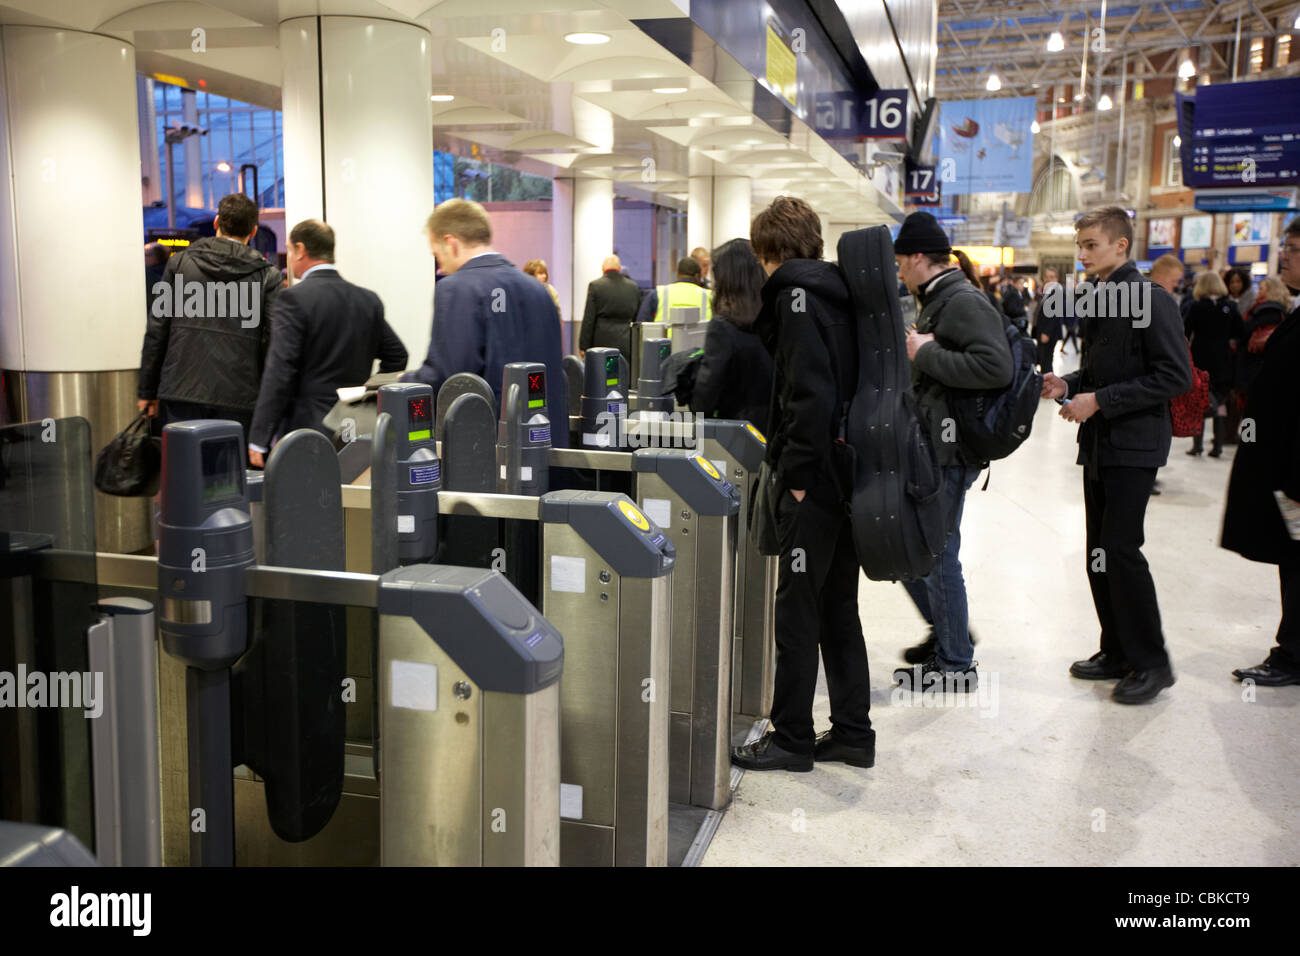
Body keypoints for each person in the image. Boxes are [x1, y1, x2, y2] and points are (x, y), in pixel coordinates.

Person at [730, 196, 873, 772]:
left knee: (796, 613)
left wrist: (795, 482)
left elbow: (809, 398)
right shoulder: (840, 290)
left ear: (769, 252)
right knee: (839, 606)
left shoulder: (794, 299)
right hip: (849, 475)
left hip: (813, 483)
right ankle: (853, 734)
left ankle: (791, 738)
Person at [1041, 206, 1192, 705]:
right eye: (1079, 245)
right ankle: (1116, 649)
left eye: (1090, 245)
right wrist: (1070, 384)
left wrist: (1099, 401)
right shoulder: (1102, 298)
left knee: (1122, 552)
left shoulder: (1152, 299)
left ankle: (1153, 663)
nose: (1081, 254)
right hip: (1101, 445)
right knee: (1098, 554)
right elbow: (1104, 372)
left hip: (1135, 444)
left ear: (1121, 246)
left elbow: (1175, 376)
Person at [893, 212, 1013, 688]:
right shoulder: (939, 297)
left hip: (951, 451)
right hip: (932, 447)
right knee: (909, 550)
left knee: (937, 553)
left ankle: (956, 664)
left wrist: (924, 353)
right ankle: (949, 632)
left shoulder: (962, 301)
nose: (899, 271)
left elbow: (996, 367)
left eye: (902, 262)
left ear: (919, 258)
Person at [404, 198, 568, 445]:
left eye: (437, 256)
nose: (441, 268)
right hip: (545, 442)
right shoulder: (537, 289)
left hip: (490, 450)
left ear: (451, 243)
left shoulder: (457, 288)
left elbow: (451, 377)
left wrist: (398, 384)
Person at [246, 220, 408, 465]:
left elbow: (280, 371)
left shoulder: (293, 299)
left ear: (301, 250)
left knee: (308, 498)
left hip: (308, 427)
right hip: (356, 427)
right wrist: (366, 392)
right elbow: (397, 355)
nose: (289, 258)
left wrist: (259, 437)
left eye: (290, 250)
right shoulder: (367, 300)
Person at [1221, 219, 1300, 686]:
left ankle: (1292, 654)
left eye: (1291, 248)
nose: (1283, 256)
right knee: (1292, 557)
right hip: (1285, 468)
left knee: (1297, 559)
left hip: (1296, 476)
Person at [137, 193, 282, 438]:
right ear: (254, 231)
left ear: (216, 223)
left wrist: (147, 391)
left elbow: (157, 329)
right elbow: (273, 342)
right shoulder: (268, 276)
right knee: (230, 474)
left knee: (183, 471)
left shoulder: (178, 265)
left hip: (179, 393)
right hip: (239, 398)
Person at [688, 238, 773, 433]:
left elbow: (704, 400)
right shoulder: (775, 317)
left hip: (736, 434)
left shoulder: (724, 326)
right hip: (773, 430)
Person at [1184, 272, 1242, 458]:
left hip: (1200, 357)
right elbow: (1240, 332)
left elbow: (1185, 331)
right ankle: (1217, 446)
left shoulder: (1196, 307)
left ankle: (1197, 445)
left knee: (1199, 400)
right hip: (1223, 359)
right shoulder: (1231, 307)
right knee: (1221, 402)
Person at [578, 254, 641, 360]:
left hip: (601, 344)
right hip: (626, 343)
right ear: (619, 268)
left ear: (603, 268)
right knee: (624, 374)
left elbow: (589, 319)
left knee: (602, 375)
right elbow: (636, 317)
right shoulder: (633, 287)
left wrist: (583, 346)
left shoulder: (595, 286)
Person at [1237, 276, 1291, 396]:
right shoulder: (1283, 312)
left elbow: (1245, 333)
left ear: (1271, 291)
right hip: (1272, 367)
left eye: (1261, 289)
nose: (1258, 292)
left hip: (1254, 367)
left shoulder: (1264, 312)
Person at [635, 256, 712, 330]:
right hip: (700, 343)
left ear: (677, 273)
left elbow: (641, 326)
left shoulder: (658, 293)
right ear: (697, 276)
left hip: (664, 343)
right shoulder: (709, 296)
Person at [1030, 266, 1062, 374]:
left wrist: (1047, 333)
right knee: (1042, 361)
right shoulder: (1046, 292)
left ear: (1056, 279)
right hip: (1042, 331)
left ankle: (1048, 386)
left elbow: (1055, 315)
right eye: (1047, 277)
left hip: (1048, 334)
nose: (1049, 279)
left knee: (1046, 363)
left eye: (1052, 277)